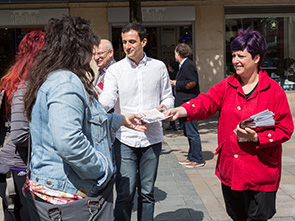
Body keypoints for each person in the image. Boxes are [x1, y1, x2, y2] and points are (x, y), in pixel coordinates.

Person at [23, 15, 146, 221]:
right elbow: (68, 142)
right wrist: (101, 169)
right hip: (71, 197)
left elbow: (88, 122)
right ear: (79, 47)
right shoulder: (66, 81)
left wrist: (121, 119)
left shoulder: (53, 77)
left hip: (60, 193)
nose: (92, 53)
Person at [164, 29, 294, 220]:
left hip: (261, 172)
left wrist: (257, 137)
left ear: (256, 57)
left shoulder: (274, 91)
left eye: (241, 56)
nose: (235, 60)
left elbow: (285, 128)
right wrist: (182, 110)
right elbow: (206, 101)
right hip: (231, 170)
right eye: (233, 55)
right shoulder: (227, 85)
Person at [99, 22, 174, 221]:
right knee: (125, 192)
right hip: (125, 138)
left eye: (132, 41)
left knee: (147, 193)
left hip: (152, 138)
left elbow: (168, 97)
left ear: (144, 42)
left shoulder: (158, 67)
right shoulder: (115, 70)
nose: (127, 46)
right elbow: (108, 98)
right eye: (124, 42)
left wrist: (164, 108)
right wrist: (95, 108)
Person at [0, 30, 45, 221]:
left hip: (12, 166)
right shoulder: (24, 86)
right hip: (16, 168)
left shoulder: (14, 80)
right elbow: (20, 135)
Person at [170, 43, 205, 168]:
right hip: (184, 104)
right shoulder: (184, 65)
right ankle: (191, 157)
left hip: (189, 104)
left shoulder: (188, 65)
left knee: (192, 132)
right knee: (188, 132)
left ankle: (197, 158)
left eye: (175, 52)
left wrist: (176, 83)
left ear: (178, 53)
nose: (174, 55)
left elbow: (192, 82)